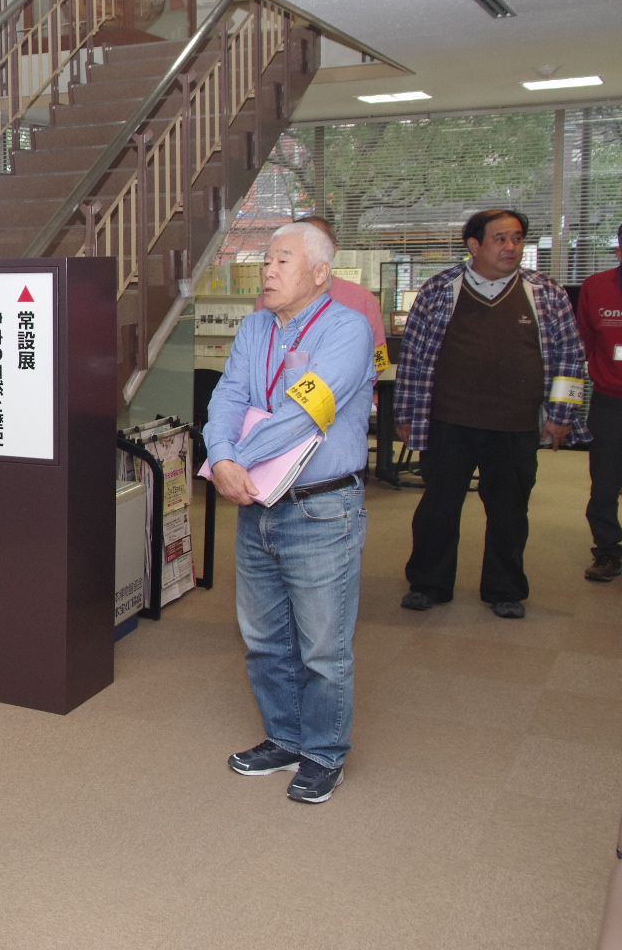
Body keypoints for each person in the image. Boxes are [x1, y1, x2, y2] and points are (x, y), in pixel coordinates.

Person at [206, 222, 375, 804]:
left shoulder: (347, 330)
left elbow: (305, 413)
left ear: (321, 274)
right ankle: (284, 736)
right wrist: (220, 455)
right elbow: (228, 396)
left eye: (283, 260)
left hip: (322, 508)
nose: (268, 270)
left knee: (323, 645)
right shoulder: (255, 327)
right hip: (258, 504)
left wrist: (235, 458)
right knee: (263, 637)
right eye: (266, 260)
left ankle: (324, 753)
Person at [395, 210, 588, 618]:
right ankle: (428, 583)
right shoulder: (439, 289)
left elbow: (570, 357)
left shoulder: (546, 292)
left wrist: (562, 414)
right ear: (474, 245)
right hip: (449, 421)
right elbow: (412, 356)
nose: (511, 247)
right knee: (438, 507)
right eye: (500, 239)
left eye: (517, 239)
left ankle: (505, 589)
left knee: (509, 511)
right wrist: (407, 414)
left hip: (515, 424)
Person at [254, 216, 387, 359]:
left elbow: (378, 359)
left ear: (332, 250)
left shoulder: (361, 298)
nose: (270, 272)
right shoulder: (270, 298)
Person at [578, 229, 622, 582]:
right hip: (609, 401)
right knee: (605, 484)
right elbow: (582, 345)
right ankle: (608, 550)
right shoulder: (596, 287)